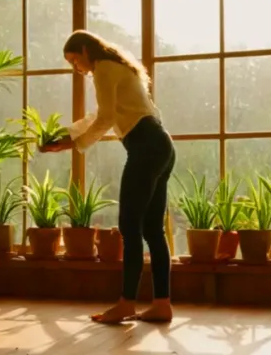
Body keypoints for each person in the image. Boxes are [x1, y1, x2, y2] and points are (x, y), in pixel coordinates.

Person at [40, 30, 176, 324]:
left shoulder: (102, 68)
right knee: (152, 229)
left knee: (129, 227)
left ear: (87, 50)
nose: (76, 68)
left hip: (145, 147)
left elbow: (106, 119)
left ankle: (127, 303)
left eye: (75, 60)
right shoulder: (120, 68)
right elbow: (100, 115)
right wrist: (68, 137)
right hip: (162, 144)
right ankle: (162, 304)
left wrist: (75, 143)